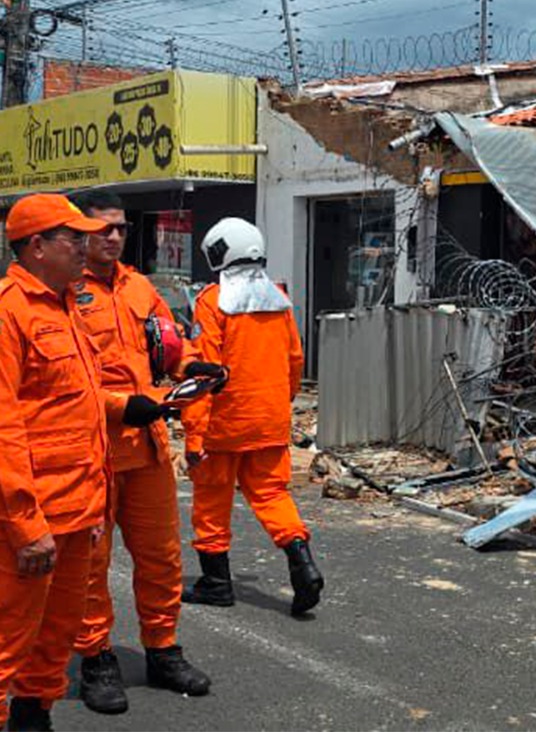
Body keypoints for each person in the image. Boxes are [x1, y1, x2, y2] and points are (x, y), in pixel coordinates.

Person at [0, 193, 168, 730]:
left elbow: (81, 405)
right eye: (73, 238)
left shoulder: (67, 306)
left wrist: (97, 503)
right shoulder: (9, 312)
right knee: (7, 641)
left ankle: (34, 718)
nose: (85, 246)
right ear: (36, 246)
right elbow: (4, 429)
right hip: (34, 520)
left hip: (80, 511)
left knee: (56, 636)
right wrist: (25, 526)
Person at [69, 191, 220, 714]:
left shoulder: (139, 287)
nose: (113, 237)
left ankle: (163, 650)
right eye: (102, 228)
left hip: (148, 448)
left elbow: (170, 345)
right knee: (91, 565)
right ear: (79, 233)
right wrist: (118, 406)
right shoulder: (62, 293)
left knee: (161, 558)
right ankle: (96, 659)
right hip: (91, 452)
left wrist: (194, 368)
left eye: (121, 228)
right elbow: (61, 383)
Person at [181, 218, 324, 616]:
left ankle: (216, 583)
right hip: (269, 420)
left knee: (211, 502)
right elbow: (294, 360)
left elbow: (204, 372)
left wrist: (194, 435)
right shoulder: (278, 300)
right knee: (272, 494)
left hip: (223, 425)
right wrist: (280, 403)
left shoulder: (212, 301)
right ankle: (302, 561)